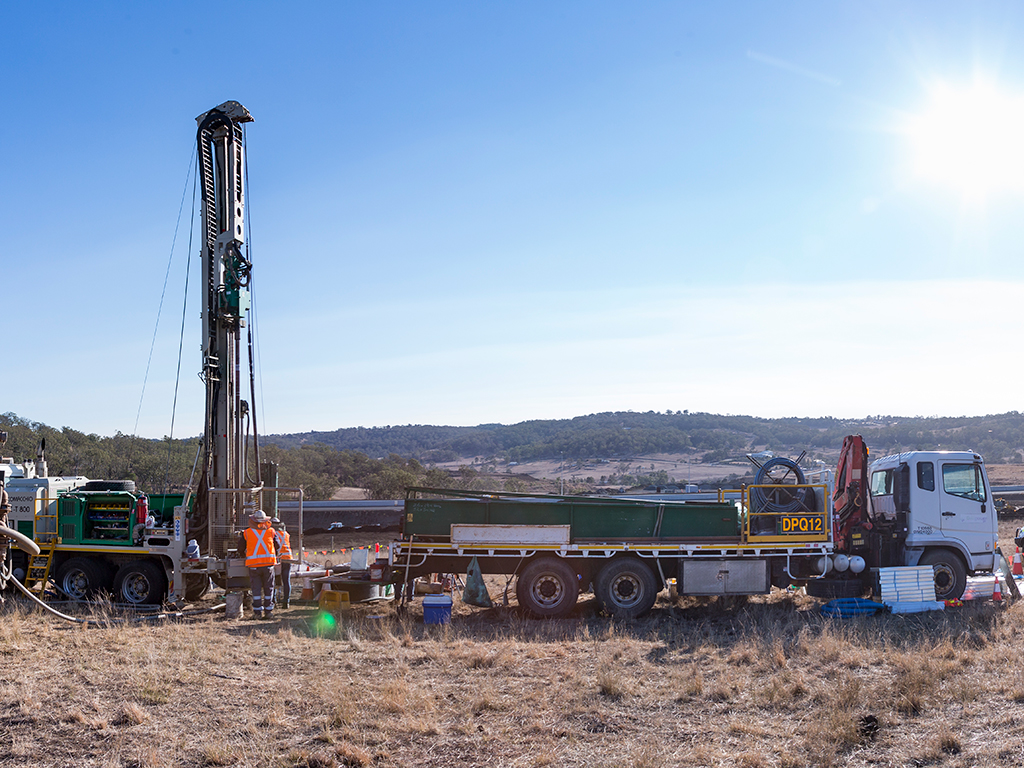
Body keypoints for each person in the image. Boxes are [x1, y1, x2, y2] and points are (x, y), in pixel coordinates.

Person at [238, 510, 278, 619]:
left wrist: (242, 555)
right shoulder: (271, 531)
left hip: (254, 566)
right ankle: (268, 612)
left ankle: (257, 613)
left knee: (256, 589)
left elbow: (240, 547)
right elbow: (277, 545)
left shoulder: (247, 532)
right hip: (268, 565)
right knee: (269, 588)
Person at [272, 517, 293, 609]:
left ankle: (273, 601)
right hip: (288, 558)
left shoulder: (272, 533)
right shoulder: (286, 534)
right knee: (286, 581)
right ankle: (286, 602)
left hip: (278, 559)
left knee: (273, 580)